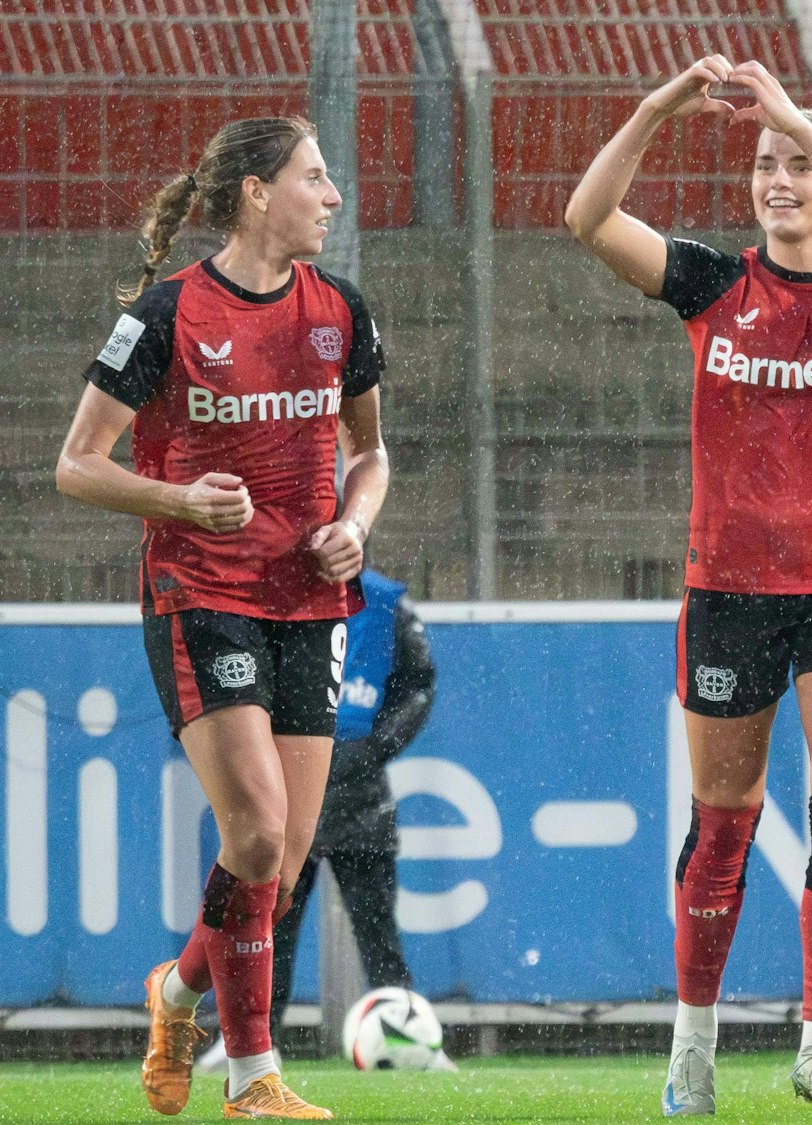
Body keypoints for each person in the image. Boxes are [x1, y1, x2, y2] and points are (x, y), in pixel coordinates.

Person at [564, 54, 812, 1117]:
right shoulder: (714, 285)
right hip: (728, 590)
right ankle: (692, 1046)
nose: (781, 179)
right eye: (766, 163)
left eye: (800, 165)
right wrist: (658, 107)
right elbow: (588, 217)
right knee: (723, 826)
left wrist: (807, 129)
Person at [56, 116, 388, 1120]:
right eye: (314, 178)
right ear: (255, 192)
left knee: (276, 868)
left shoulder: (342, 310)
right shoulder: (166, 315)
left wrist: (355, 526)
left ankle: (178, 989)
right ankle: (252, 1080)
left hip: (310, 597)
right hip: (201, 594)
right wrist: (181, 501)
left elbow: (371, 455)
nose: (332, 197)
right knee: (252, 833)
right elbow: (75, 465)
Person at [195, 566, 443, 1075]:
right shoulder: (270, 590)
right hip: (291, 779)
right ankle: (248, 1043)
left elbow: (418, 686)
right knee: (271, 921)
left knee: (377, 928)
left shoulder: (387, 604)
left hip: (360, 793)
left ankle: (413, 1040)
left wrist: (373, 748)